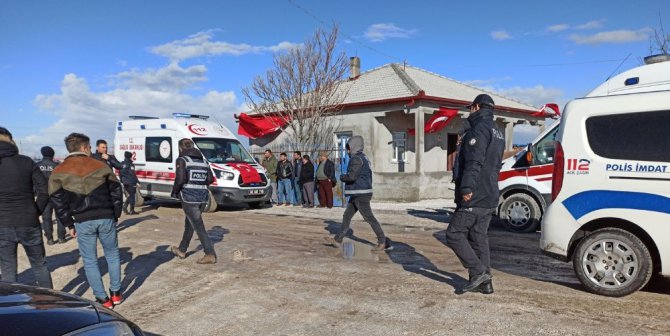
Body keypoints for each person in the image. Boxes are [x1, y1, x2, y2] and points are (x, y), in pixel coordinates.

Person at [49, 132, 123, 308]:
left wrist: (68, 223)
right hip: (106, 217)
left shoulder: (58, 171)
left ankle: (103, 299)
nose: (91, 150)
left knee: (90, 260)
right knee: (112, 255)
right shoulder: (101, 165)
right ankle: (116, 293)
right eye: (89, 147)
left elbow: (57, 201)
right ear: (84, 147)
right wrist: (116, 214)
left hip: (82, 220)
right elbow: (116, 191)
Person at [446, 94, 505, 294]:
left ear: (477, 107)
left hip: (476, 193)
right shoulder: (497, 131)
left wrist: (466, 188)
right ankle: (486, 283)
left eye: (471, 107)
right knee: (479, 236)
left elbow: (474, 161)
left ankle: (478, 271)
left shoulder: (478, 129)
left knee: (454, 233)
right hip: (490, 192)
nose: (469, 111)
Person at [0, 127, 53, 289]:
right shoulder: (26, 161)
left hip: (3, 224)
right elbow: (44, 191)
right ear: (11, 140)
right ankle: (50, 303)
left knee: (8, 269)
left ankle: (13, 306)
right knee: (39, 265)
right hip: (28, 220)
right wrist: (35, 211)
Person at [326, 136, 389, 252]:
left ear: (354, 146)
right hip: (358, 192)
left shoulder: (356, 159)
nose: (347, 151)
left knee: (369, 217)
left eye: (348, 148)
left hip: (360, 193)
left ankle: (382, 241)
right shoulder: (363, 157)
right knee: (347, 216)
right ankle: (337, 240)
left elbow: (352, 177)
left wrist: (342, 177)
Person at [170, 139, 217, 264]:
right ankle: (182, 249)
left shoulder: (182, 160)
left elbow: (180, 179)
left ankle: (210, 254)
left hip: (188, 198)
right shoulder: (204, 162)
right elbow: (210, 179)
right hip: (202, 197)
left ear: (181, 148)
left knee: (198, 227)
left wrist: (175, 191)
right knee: (190, 224)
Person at [36, 146, 66, 245]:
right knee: (60, 216)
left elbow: (33, 181)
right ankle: (61, 238)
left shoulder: (37, 165)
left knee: (46, 218)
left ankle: (49, 239)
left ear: (42, 154)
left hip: (43, 195)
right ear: (52, 154)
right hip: (57, 194)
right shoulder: (57, 166)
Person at [120, 151, 140, 215]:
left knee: (130, 195)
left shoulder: (121, 164)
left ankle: (125, 207)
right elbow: (133, 174)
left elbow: (119, 173)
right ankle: (131, 210)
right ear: (130, 157)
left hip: (125, 182)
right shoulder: (131, 164)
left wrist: (122, 180)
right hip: (131, 182)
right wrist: (137, 181)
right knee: (132, 196)